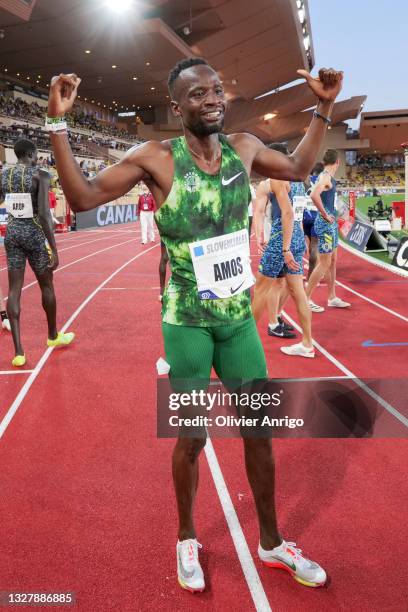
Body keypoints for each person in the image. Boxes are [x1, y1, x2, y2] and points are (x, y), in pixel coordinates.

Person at [47, 59, 343, 592]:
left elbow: (300, 168)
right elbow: (83, 198)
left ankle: (272, 542)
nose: (212, 99)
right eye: (198, 93)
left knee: (260, 432)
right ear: (177, 106)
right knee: (192, 437)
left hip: (236, 320)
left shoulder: (244, 148)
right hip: (186, 321)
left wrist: (322, 106)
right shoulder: (156, 158)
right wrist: (57, 125)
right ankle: (187, 535)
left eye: (216, 90)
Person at [1, 139, 75, 367]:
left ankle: (19, 352)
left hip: (11, 234)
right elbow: (44, 214)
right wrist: (53, 246)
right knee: (46, 285)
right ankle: (53, 336)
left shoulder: (4, 174)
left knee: (13, 290)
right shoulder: (40, 175)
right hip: (33, 235)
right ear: (32, 154)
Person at [252, 143, 313, 357]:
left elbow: (287, 214)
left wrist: (285, 247)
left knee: (260, 289)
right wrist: (259, 233)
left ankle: (244, 344)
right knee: (298, 292)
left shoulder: (278, 178)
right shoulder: (299, 180)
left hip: (282, 238)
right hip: (295, 235)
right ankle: (307, 345)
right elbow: (260, 211)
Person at [305, 149, 351, 311]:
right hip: (325, 225)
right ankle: (306, 299)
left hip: (330, 224)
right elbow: (314, 195)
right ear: (337, 162)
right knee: (324, 263)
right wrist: (324, 214)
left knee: (332, 262)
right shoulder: (325, 176)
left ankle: (332, 297)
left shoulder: (327, 177)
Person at [303, 161, 323, 281]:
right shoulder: (324, 182)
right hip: (316, 216)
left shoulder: (305, 180)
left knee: (311, 244)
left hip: (305, 216)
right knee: (316, 245)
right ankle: (311, 275)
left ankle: (312, 267)